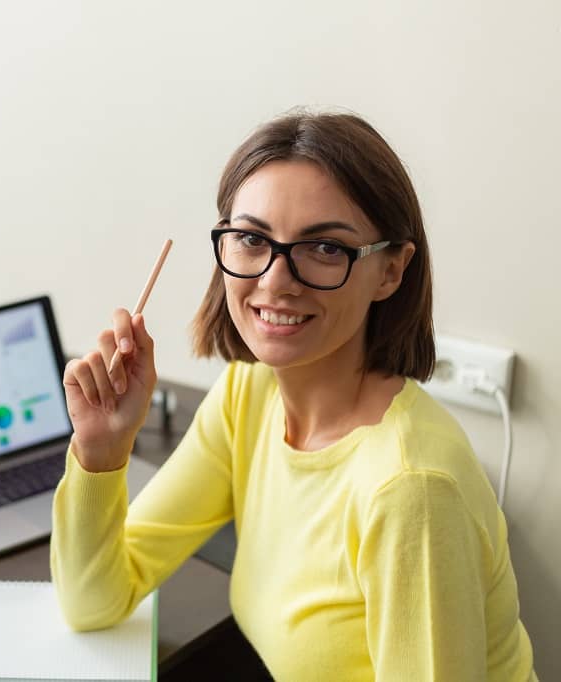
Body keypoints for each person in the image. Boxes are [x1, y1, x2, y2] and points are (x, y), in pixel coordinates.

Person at [50, 110, 537, 681]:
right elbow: (94, 602)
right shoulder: (248, 394)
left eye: (325, 248)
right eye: (252, 239)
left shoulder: (411, 491)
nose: (275, 280)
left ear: (391, 271)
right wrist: (102, 451)